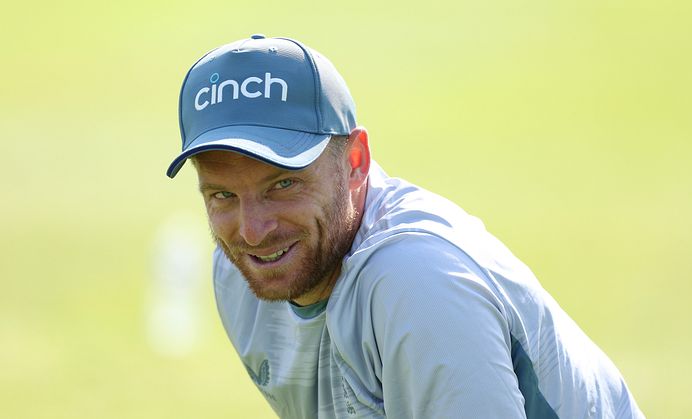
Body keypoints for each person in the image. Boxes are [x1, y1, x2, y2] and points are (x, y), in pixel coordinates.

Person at [166, 34, 644, 419]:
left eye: (284, 184)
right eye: (223, 195)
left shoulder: (417, 281)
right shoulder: (242, 275)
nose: (252, 231)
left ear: (355, 162)